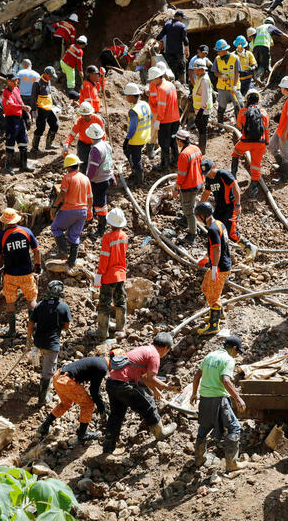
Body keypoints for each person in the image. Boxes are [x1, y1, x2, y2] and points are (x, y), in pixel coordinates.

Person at [101, 332, 181, 456]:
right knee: (149, 404)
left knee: (116, 414)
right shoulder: (155, 355)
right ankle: (160, 433)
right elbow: (152, 378)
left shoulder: (145, 349)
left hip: (112, 382)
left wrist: (155, 390)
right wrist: (168, 387)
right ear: (165, 348)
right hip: (124, 384)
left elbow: (145, 377)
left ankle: (108, 447)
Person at [191, 335, 247, 470]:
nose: (237, 354)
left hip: (204, 398)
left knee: (204, 428)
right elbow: (226, 380)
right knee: (234, 427)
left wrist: (194, 393)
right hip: (219, 399)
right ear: (234, 348)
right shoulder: (228, 359)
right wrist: (238, 399)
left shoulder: (210, 356)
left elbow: (197, 375)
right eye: (238, 351)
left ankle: (199, 459)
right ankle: (232, 464)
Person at [0, 208, 41, 340]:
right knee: (31, 299)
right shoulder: (26, 231)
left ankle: (12, 330)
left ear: (5, 222)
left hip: (10, 275)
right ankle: (34, 330)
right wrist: (38, 264)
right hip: (26, 273)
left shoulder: (1, 236)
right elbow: (36, 250)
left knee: (10, 301)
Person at [37, 356, 108, 441]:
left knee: (66, 404)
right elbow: (94, 391)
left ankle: (44, 426)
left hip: (58, 377)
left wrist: (100, 404)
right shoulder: (103, 367)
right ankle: (82, 434)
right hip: (68, 381)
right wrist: (101, 407)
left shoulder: (99, 361)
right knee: (88, 404)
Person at [200, 159, 257, 262]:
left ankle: (249, 246)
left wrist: (238, 204)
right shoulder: (209, 179)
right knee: (213, 230)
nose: (207, 175)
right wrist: (199, 206)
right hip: (219, 208)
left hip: (230, 207)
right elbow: (206, 192)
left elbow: (235, 187)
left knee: (231, 233)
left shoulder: (223, 174)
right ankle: (211, 255)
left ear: (214, 167)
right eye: (205, 174)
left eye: (208, 172)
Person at [28, 280, 73, 400]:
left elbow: (31, 322)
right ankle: (42, 398)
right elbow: (66, 326)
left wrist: (29, 338)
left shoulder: (40, 305)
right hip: (52, 345)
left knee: (37, 359)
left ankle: (36, 369)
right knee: (48, 373)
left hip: (38, 342)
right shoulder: (63, 307)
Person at [193, 201, 231, 335]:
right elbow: (216, 246)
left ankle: (214, 325)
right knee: (206, 287)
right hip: (219, 264)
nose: (197, 219)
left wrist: (214, 267)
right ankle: (218, 312)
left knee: (213, 296)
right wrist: (206, 258)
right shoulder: (219, 224)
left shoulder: (213, 229)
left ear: (202, 216)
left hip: (220, 267)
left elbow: (217, 249)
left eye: (197, 216)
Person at [51, 153, 92, 272]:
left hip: (69, 209)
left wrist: (54, 206)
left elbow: (62, 194)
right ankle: (72, 260)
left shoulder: (67, 178)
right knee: (74, 235)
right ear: (78, 165)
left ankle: (63, 252)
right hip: (82, 211)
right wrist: (89, 210)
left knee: (56, 228)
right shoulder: (85, 178)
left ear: (68, 167)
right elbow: (90, 197)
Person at [94, 207, 128, 339]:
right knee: (120, 301)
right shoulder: (124, 236)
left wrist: (99, 274)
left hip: (109, 275)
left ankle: (102, 331)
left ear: (110, 223)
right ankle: (121, 329)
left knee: (104, 303)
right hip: (121, 274)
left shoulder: (107, 238)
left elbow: (104, 258)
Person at [231, 89, 269, 198]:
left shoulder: (243, 111)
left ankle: (233, 176)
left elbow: (239, 126)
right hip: (260, 143)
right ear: (258, 100)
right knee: (256, 165)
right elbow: (266, 129)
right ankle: (253, 187)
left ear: (247, 99)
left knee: (235, 153)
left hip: (245, 142)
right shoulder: (264, 112)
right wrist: (266, 143)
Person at [170, 130, 204, 245]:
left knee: (189, 210)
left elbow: (182, 175)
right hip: (198, 181)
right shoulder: (196, 148)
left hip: (189, 185)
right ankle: (185, 220)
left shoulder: (184, 155)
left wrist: (176, 188)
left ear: (180, 141)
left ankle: (192, 234)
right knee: (187, 203)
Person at [148, 65, 181, 170]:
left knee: (164, 144)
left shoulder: (161, 89)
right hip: (175, 118)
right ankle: (176, 162)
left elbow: (161, 108)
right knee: (173, 141)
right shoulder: (170, 85)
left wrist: (158, 120)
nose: (152, 82)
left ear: (158, 78)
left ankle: (164, 165)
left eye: (153, 80)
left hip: (165, 120)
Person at [85, 123, 114, 238]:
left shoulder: (96, 149)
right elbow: (110, 163)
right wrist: (112, 175)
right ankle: (95, 220)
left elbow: (92, 168)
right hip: (106, 177)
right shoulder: (106, 145)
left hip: (99, 181)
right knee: (101, 202)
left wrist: (87, 180)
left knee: (100, 205)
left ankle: (101, 229)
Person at [269, 76, 288, 183]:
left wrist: (285, 133)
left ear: (285, 89)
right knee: (271, 146)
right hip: (281, 129)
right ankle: (281, 167)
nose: (281, 89)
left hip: (286, 131)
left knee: (286, 154)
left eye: (282, 88)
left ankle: (284, 178)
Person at [2, 74, 33, 173]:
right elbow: (11, 105)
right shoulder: (6, 93)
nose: (16, 82)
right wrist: (23, 107)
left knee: (23, 142)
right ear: (8, 81)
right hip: (11, 119)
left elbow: (20, 102)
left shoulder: (16, 89)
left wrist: (27, 114)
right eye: (14, 80)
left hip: (19, 119)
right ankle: (8, 166)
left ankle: (23, 165)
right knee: (10, 143)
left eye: (17, 80)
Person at [63, 101, 105, 173]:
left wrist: (103, 145)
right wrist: (66, 145)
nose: (85, 117)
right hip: (83, 144)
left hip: (96, 143)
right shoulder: (79, 121)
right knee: (83, 163)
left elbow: (103, 134)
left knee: (96, 162)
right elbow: (72, 134)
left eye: (87, 115)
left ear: (91, 113)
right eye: (83, 115)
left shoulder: (97, 119)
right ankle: (85, 178)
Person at [122, 82, 151, 187]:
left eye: (126, 96)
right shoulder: (145, 104)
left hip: (136, 139)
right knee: (132, 154)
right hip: (145, 136)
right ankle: (136, 173)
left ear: (131, 96)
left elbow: (133, 128)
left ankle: (139, 180)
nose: (126, 98)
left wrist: (126, 140)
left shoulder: (133, 111)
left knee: (136, 158)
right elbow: (150, 117)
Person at [251, 16, 288, 84]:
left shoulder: (258, 28)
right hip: (264, 46)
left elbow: (253, 37)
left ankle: (254, 80)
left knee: (257, 64)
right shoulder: (270, 26)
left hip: (255, 47)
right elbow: (282, 34)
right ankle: (259, 76)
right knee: (264, 64)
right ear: (272, 23)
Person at [212, 38, 241, 125]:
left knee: (239, 105)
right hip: (222, 87)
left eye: (219, 51)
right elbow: (215, 73)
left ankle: (240, 124)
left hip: (233, 87)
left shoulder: (235, 58)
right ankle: (220, 125)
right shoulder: (217, 59)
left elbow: (237, 73)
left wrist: (235, 86)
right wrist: (221, 75)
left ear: (225, 50)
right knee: (221, 107)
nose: (218, 53)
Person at [156, 10, 189, 84]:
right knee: (181, 68)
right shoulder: (181, 26)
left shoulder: (167, 24)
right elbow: (185, 39)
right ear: (179, 17)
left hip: (169, 52)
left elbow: (160, 35)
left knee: (171, 68)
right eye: (182, 18)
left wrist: (154, 42)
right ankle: (182, 84)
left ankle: (172, 83)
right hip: (179, 52)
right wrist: (187, 50)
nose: (182, 20)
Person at [31, 66, 59, 154]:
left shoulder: (48, 81)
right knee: (40, 128)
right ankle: (34, 148)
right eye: (50, 75)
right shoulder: (37, 83)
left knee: (55, 125)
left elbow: (50, 94)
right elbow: (33, 97)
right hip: (41, 109)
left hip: (49, 108)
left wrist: (56, 103)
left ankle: (49, 144)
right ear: (45, 74)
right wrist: (34, 110)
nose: (51, 77)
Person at [189, 57, 213, 153]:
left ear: (202, 69)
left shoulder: (204, 80)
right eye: (194, 70)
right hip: (199, 109)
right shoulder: (200, 78)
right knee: (200, 127)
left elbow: (205, 97)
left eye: (197, 70)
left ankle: (202, 149)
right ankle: (201, 146)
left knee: (202, 129)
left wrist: (201, 111)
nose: (195, 72)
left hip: (203, 109)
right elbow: (198, 91)